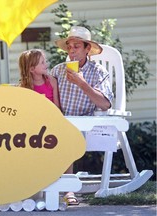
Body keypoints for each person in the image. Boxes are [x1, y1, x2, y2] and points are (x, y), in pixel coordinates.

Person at [49, 26, 114, 205]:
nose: (71, 50)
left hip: (85, 123)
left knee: (67, 134)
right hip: (59, 120)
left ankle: (68, 189)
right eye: (69, 46)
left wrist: (82, 83)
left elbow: (105, 103)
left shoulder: (98, 71)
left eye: (76, 46)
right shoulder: (58, 70)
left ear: (87, 49)